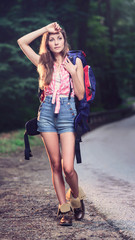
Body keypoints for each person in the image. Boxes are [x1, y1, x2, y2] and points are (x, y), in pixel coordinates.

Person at [17, 22, 86, 226]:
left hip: (67, 113)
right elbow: (22, 42)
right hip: (46, 114)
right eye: (52, 39)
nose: (56, 42)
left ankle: (76, 197)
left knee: (68, 168)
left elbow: (81, 95)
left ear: (65, 40)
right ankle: (64, 209)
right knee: (55, 165)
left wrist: (73, 72)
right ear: (47, 43)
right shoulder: (42, 62)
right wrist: (45, 29)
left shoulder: (75, 61)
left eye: (59, 38)